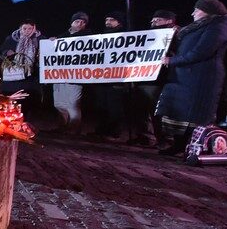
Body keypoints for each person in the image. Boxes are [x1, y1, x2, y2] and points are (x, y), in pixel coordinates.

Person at [156, 0, 227, 155]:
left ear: (208, 12)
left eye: (197, 10)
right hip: (184, 75)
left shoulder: (219, 27)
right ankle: (178, 144)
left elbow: (201, 52)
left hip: (201, 77)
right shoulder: (199, 26)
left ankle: (193, 146)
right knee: (179, 111)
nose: (193, 13)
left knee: (193, 113)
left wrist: (172, 61)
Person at [132, 10, 179, 147]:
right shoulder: (148, 35)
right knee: (141, 110)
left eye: (157, 20)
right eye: (152, 20)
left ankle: (164, 140)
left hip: (161, 79)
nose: (153, 22)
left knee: (157, 111)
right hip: (143, 77)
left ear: (169, 21)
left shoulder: (177, 35)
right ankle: (146, 137)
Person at [93, 11, 130, 141]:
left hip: (117, 78)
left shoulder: (125, 35)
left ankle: (114, 132)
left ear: (119, 22)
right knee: (101, 106)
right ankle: (102, 130)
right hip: (102, 78)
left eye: (112, 20)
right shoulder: (102, 35)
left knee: (115, 107)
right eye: (107, 19)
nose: (108, 22)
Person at [51, 12, 89, 133]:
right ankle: (62, 126)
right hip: (59, 75)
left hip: (76, 75)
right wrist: (51, 43)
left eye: (83, 22)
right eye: (78, 21)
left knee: (73, 103)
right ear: (71, 22)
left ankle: (73, 129)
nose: (80, 24)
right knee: (59, 103)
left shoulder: (88, 37)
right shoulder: (62, 36)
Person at [0, 19, 42, 105]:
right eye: (24, 28)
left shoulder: (39, 39)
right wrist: (7, 52)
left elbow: (48, 50)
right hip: (13, 78)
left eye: (30, 28)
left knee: (29, 102)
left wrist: (52, 41)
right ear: (20, 29)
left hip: (30, 78)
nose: (27, 31)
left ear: (34, 29)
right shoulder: (11, 39)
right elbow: (0, 52)